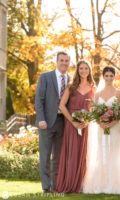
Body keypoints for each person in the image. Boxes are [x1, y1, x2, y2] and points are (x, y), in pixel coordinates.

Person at [82, 66, 120, 194]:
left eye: (111, 76)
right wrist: (100, 122)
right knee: (102, 152)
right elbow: (94, 111)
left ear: (114, 77)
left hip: (114, 128)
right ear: (103, 77)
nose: (109, 78)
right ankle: (101, 183)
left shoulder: (118, 93)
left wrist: (112, 122)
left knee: (114, 153)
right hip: (101, 128)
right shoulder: (98, 94)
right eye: (106, 76)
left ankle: (114, 184)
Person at [55, 60, 96, 193]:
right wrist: (73, 121)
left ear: (89, 70)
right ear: (77, 70)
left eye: (86, 68)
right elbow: (61, 105)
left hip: (86, 126)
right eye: (81, 68)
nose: (84, 71)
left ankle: (81, 185)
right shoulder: (71, 86)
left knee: (84, 155)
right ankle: (70, 184)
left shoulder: (93, 88)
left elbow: (95, 109)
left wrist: (87, 121)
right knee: (72, 153)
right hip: (71, 125)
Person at [35, 51, 70, 193]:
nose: (64, 63)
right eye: (61, 60)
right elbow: (39, 100)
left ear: (69, 62)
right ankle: (45, 187)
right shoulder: (45, 77)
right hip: (47, 123)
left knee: (58, 157)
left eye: (66, 61)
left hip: (63, 123)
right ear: (57, 61)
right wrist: (41, 119)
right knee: (45, 156)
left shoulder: (71, 79)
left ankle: (56, 186)